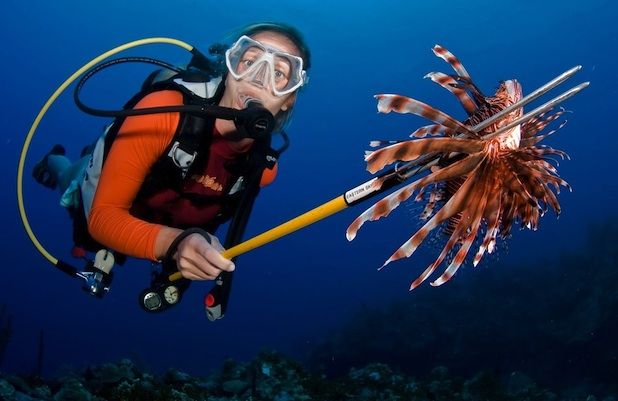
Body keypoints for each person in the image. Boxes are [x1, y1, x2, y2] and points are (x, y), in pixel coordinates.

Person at [32, 22, 311, 283]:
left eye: (279, 74)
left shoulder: (263, 170)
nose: (259, 80)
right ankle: (54, 160)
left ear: (288, 99)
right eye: (249, 62)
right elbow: (103, 218)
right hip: (113, 199)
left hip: (162, 223)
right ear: (229, 68)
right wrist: (175, 244)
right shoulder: (162, 112)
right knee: (70, 177)